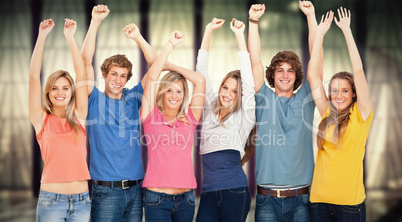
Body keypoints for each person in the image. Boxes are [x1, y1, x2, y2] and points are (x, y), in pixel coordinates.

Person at [81, 5, 159, 221]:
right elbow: (84, 61)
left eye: (123, 76)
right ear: (104, 74)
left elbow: (156, 65)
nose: (117, 80)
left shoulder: (134, 97)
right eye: (113, 74)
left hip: (136, 189)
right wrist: (95, 22)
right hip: (106, 191)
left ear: (127, 79)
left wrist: (138, 38)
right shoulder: (93, 98)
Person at [248, 1, 318, 221]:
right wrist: (253, 21)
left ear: (297, 76)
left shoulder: (307, 99)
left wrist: (311, 17)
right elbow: (254, 59)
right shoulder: (264, 99)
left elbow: (317, 60)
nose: (285, 75)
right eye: (280, 70)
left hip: (302, 199)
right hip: (267, 199)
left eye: (290, 71)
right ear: (273, 74)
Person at [308, 8, 372, 221]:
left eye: (345, 90)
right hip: (319, 202)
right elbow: (313, 76)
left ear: (354, 93)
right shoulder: (327, 111)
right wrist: (320, 35)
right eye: (334, 90)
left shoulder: (361, 114)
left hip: (350, 206)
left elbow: (359, 71)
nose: (338, 95)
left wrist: (346, 30)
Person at [140, 31, 206, 222]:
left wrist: (169, 66)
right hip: (157, 199)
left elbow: (200, 80)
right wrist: (170, 45)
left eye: (179, 91)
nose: (174, 95)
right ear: (161, 93)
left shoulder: (190, 119)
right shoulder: (150, 116)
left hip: (186, 199)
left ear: (184, 95)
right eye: (169, 90)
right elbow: (152, 78)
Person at [30, 18, 90, 221]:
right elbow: (33, 77)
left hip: (82, 202)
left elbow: (81, 75)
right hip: (51, 201)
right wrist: (42, 36)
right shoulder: (41, 120)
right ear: (47, 93)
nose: (60, 92)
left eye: (65, 88)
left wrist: (70, 38)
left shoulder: (80, 118)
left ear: (72, 92)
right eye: (54, 88)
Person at [195, 18, 255, 222]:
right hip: (208, 193)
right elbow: (201, 73)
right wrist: (208, 31)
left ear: (241, 95)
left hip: (235, 192)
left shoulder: (244, 116)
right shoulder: (210, 107)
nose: (228, 94)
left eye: (235, 91)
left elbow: (248, 78)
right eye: (225, 87)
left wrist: (240, 36)